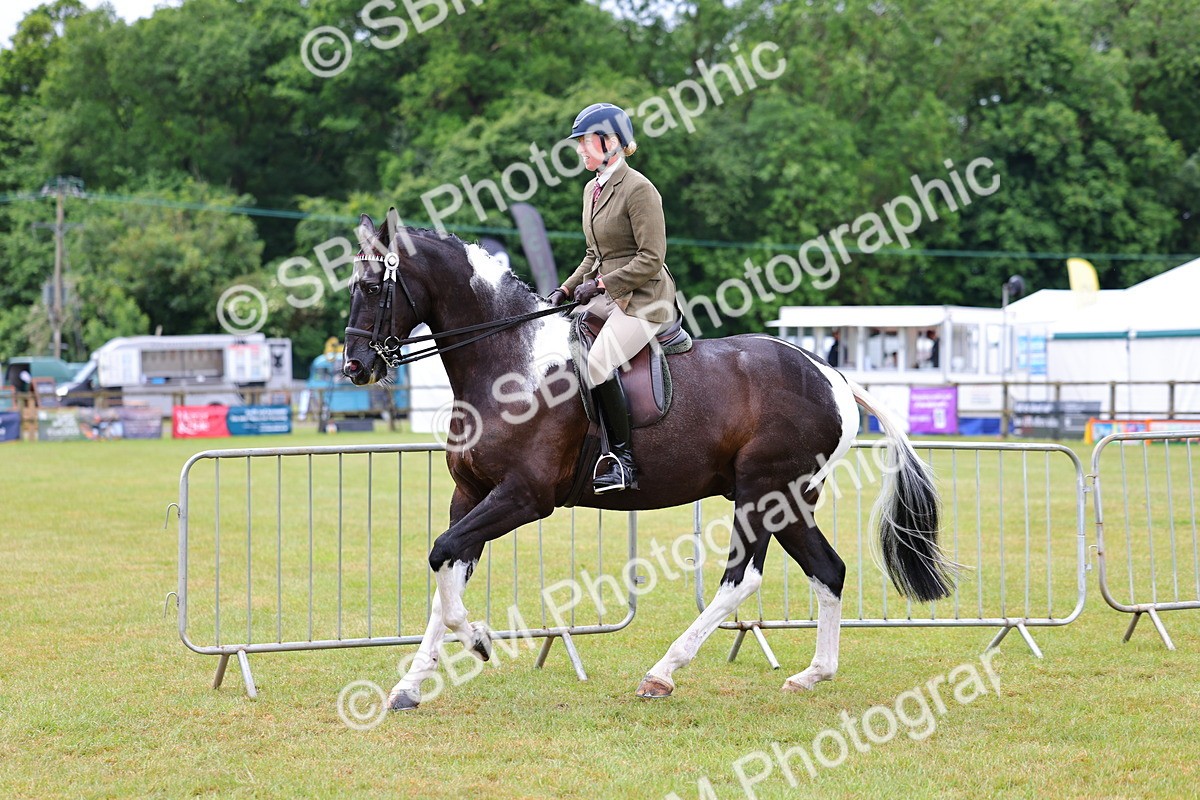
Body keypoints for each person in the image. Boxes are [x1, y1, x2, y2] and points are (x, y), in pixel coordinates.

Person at [547, 102, 679, 494]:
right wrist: (567, 288)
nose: (580, 151)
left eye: (585, 143)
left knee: (597, 362)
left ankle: (622, 461)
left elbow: (652, 259)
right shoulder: (592, 189)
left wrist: (602, 285)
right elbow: (593, 254)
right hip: (607, 295)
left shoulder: (640, 190)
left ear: (610, 142)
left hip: (645, 299)